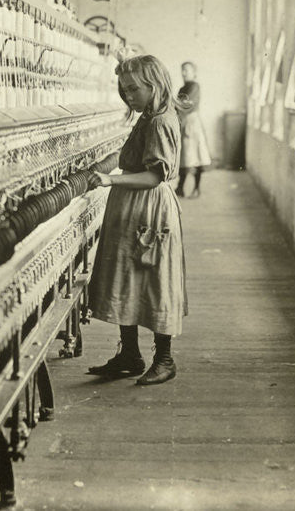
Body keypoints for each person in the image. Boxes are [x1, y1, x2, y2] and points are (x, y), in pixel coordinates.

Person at [86, 55, 188, 385]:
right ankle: (129, 354)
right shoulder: (149, 117)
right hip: (133, 208)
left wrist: (109, 180)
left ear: (154, 85)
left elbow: (154, 176)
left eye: (133, 89)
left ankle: (165, 359)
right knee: (127, 278)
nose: (127, 96)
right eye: (123, 89)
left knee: (155, 281)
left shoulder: (160, 121)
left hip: (149, 209)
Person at [175, 61, 211, 198]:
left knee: (196, 156)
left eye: (187, 70)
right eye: (182, 70)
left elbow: (186, 104)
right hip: (184, 123)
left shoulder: (195, 86)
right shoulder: (181, 89)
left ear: (194, 73)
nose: (184, 73)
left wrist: (174, 103)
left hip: (192, 123)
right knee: (185, 156)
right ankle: (180, 187)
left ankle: (196, 188)